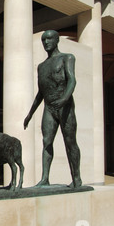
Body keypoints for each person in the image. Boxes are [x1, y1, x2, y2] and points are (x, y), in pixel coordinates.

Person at [24, 30, 82, 188]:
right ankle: (44, 178)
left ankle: (76, 178)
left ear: (57, 40)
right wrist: (30, 114)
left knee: (70, 142)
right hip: (49, 107)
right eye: (43, 40)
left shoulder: (67, 58)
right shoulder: (41, 66)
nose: (46, 42)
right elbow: (40, 93)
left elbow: (72, 80)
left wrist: (64, 99)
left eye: (49, 39)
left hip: (65, 106)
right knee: (46, 142)